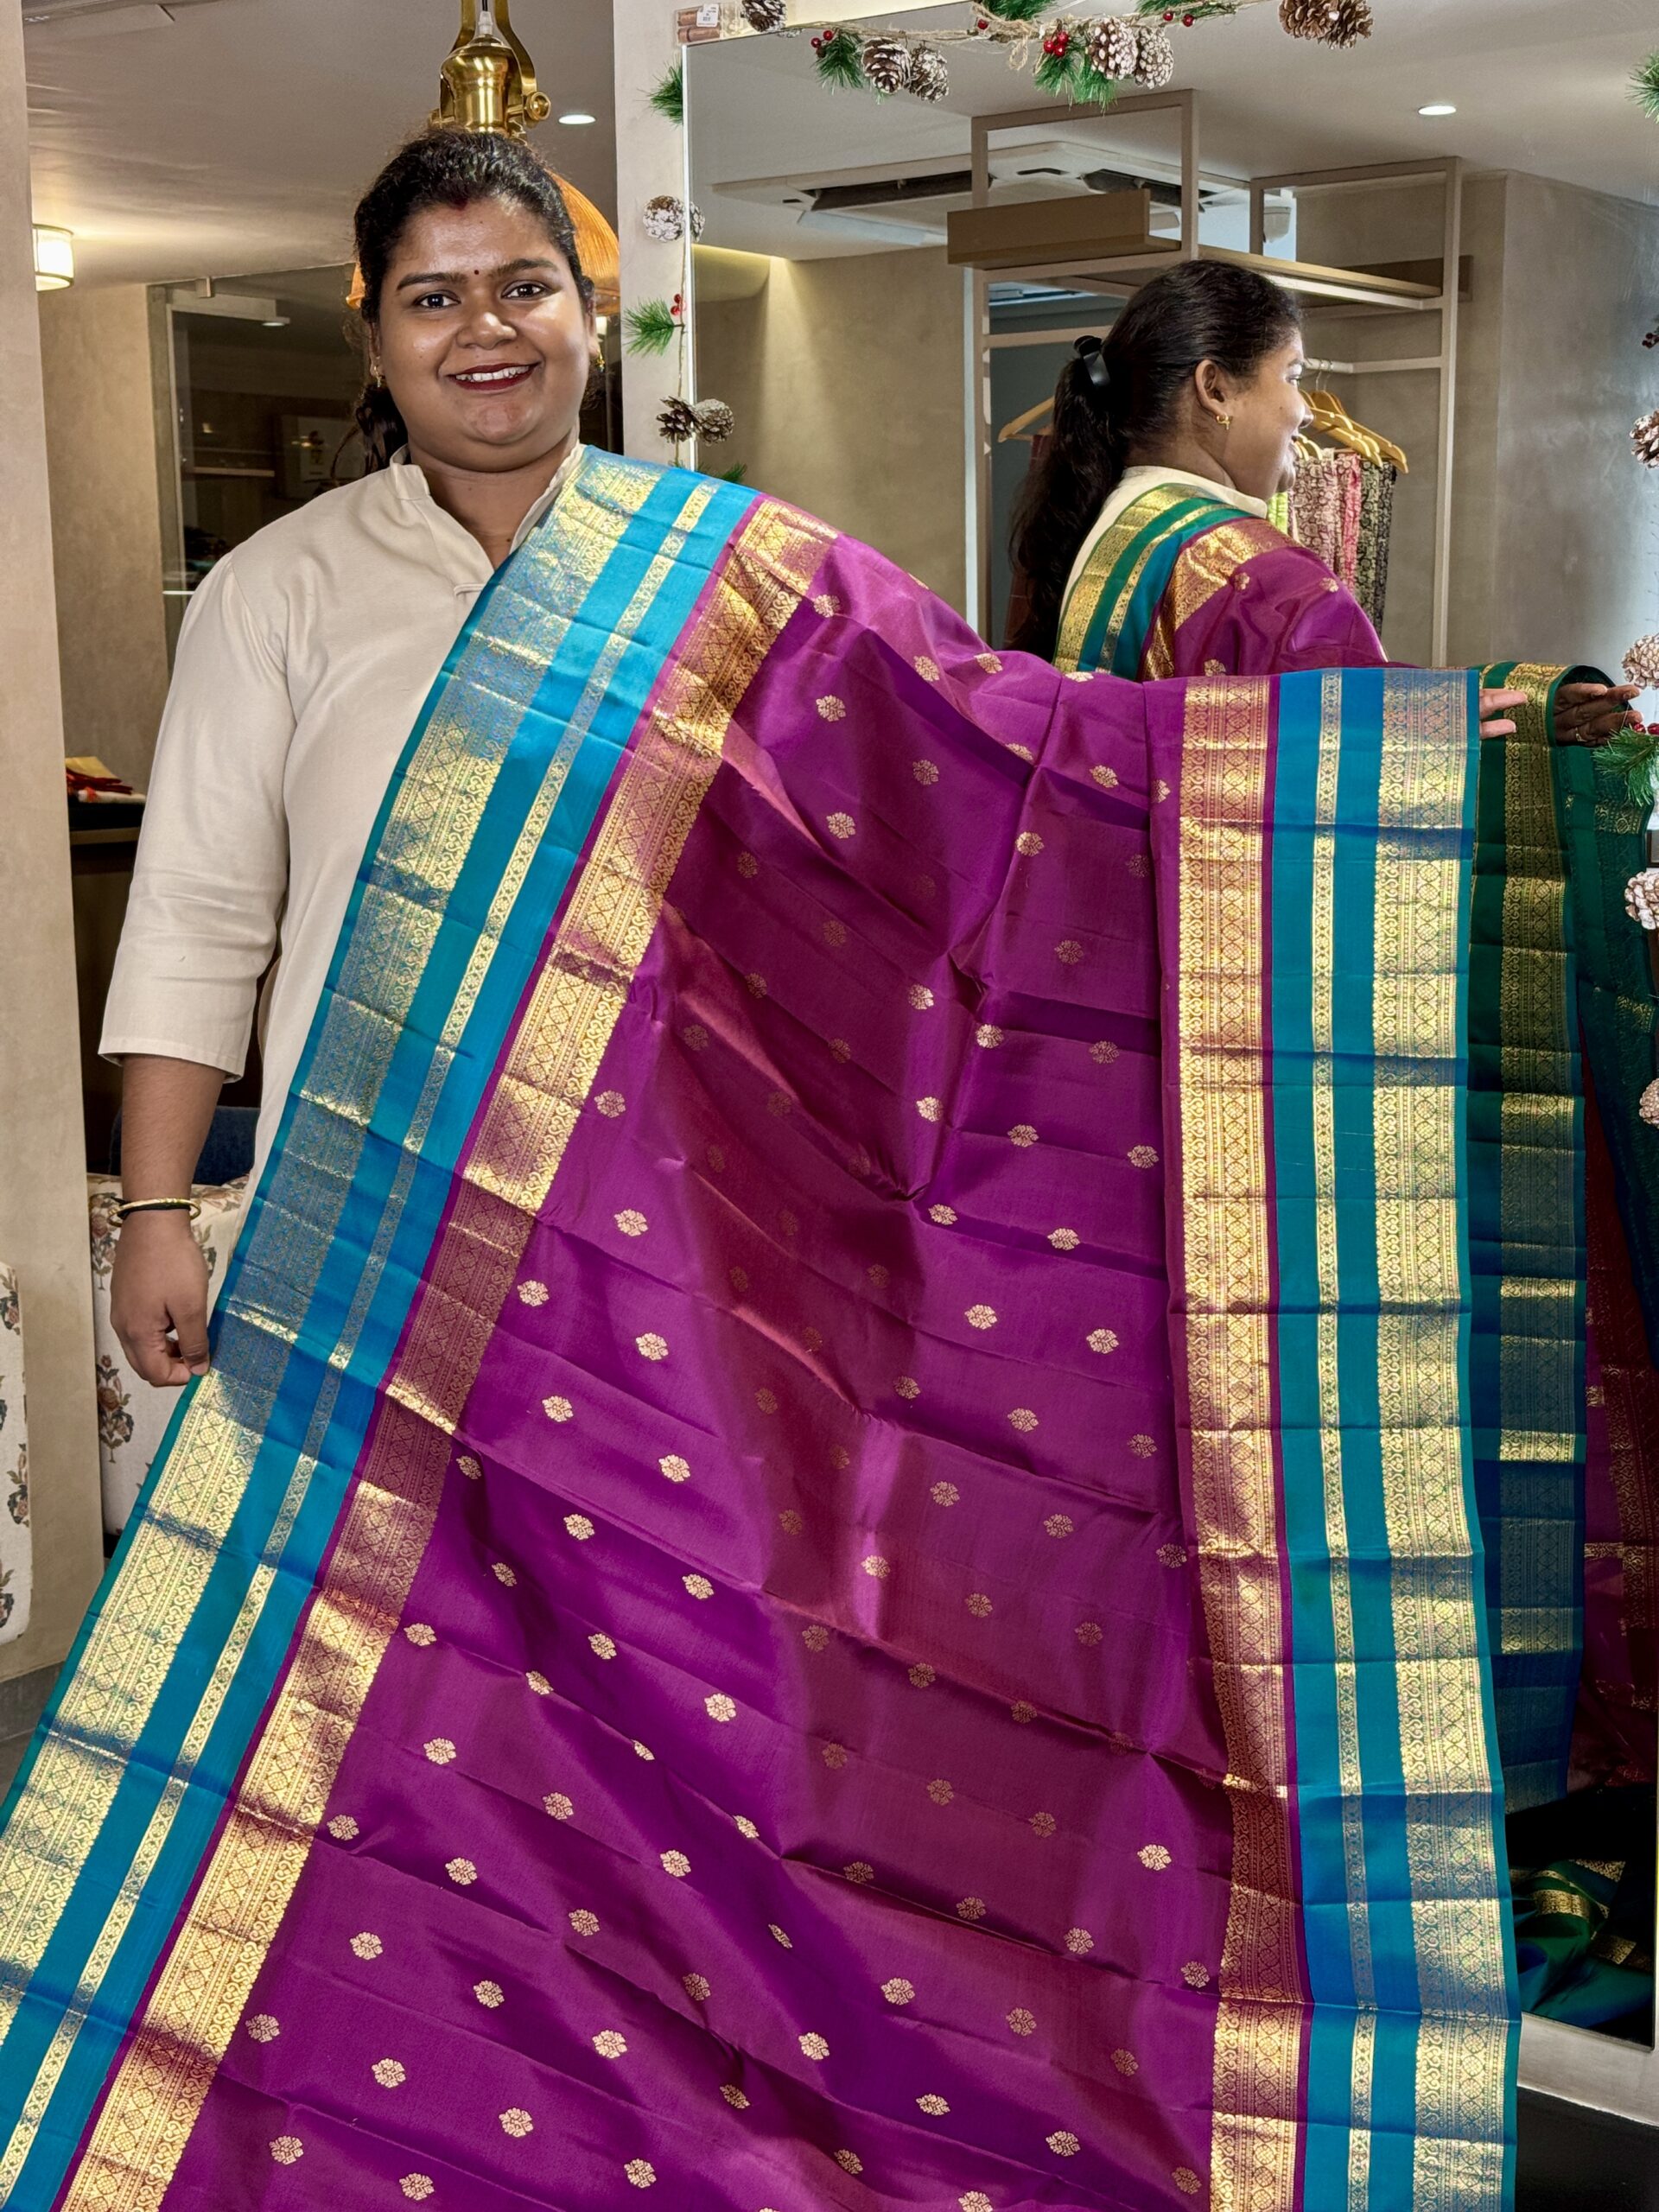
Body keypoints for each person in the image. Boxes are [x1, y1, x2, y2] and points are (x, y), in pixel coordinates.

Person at [0, 129, 1651, 2212]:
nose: (484, 329)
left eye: (521, 284)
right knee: (375, 1712)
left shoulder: (729, 575)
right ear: (376, 332)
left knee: (629, 1717)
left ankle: (634, 2117)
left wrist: (1430, 752)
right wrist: (160, 1205)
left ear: (590, 313)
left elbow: (1000, 767)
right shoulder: (287, 587)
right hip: (379, 1243)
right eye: (433, 296)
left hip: (648, 1260)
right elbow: (197, 914)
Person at [1009, 259, 1638, 743]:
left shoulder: (1120, 520)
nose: (1306, 411)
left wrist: (1530, 710)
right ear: (1215, 389)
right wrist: (1462, 722)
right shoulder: (1254, 569)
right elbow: (1342, 748)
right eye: (1293, 376)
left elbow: (1230, 728)